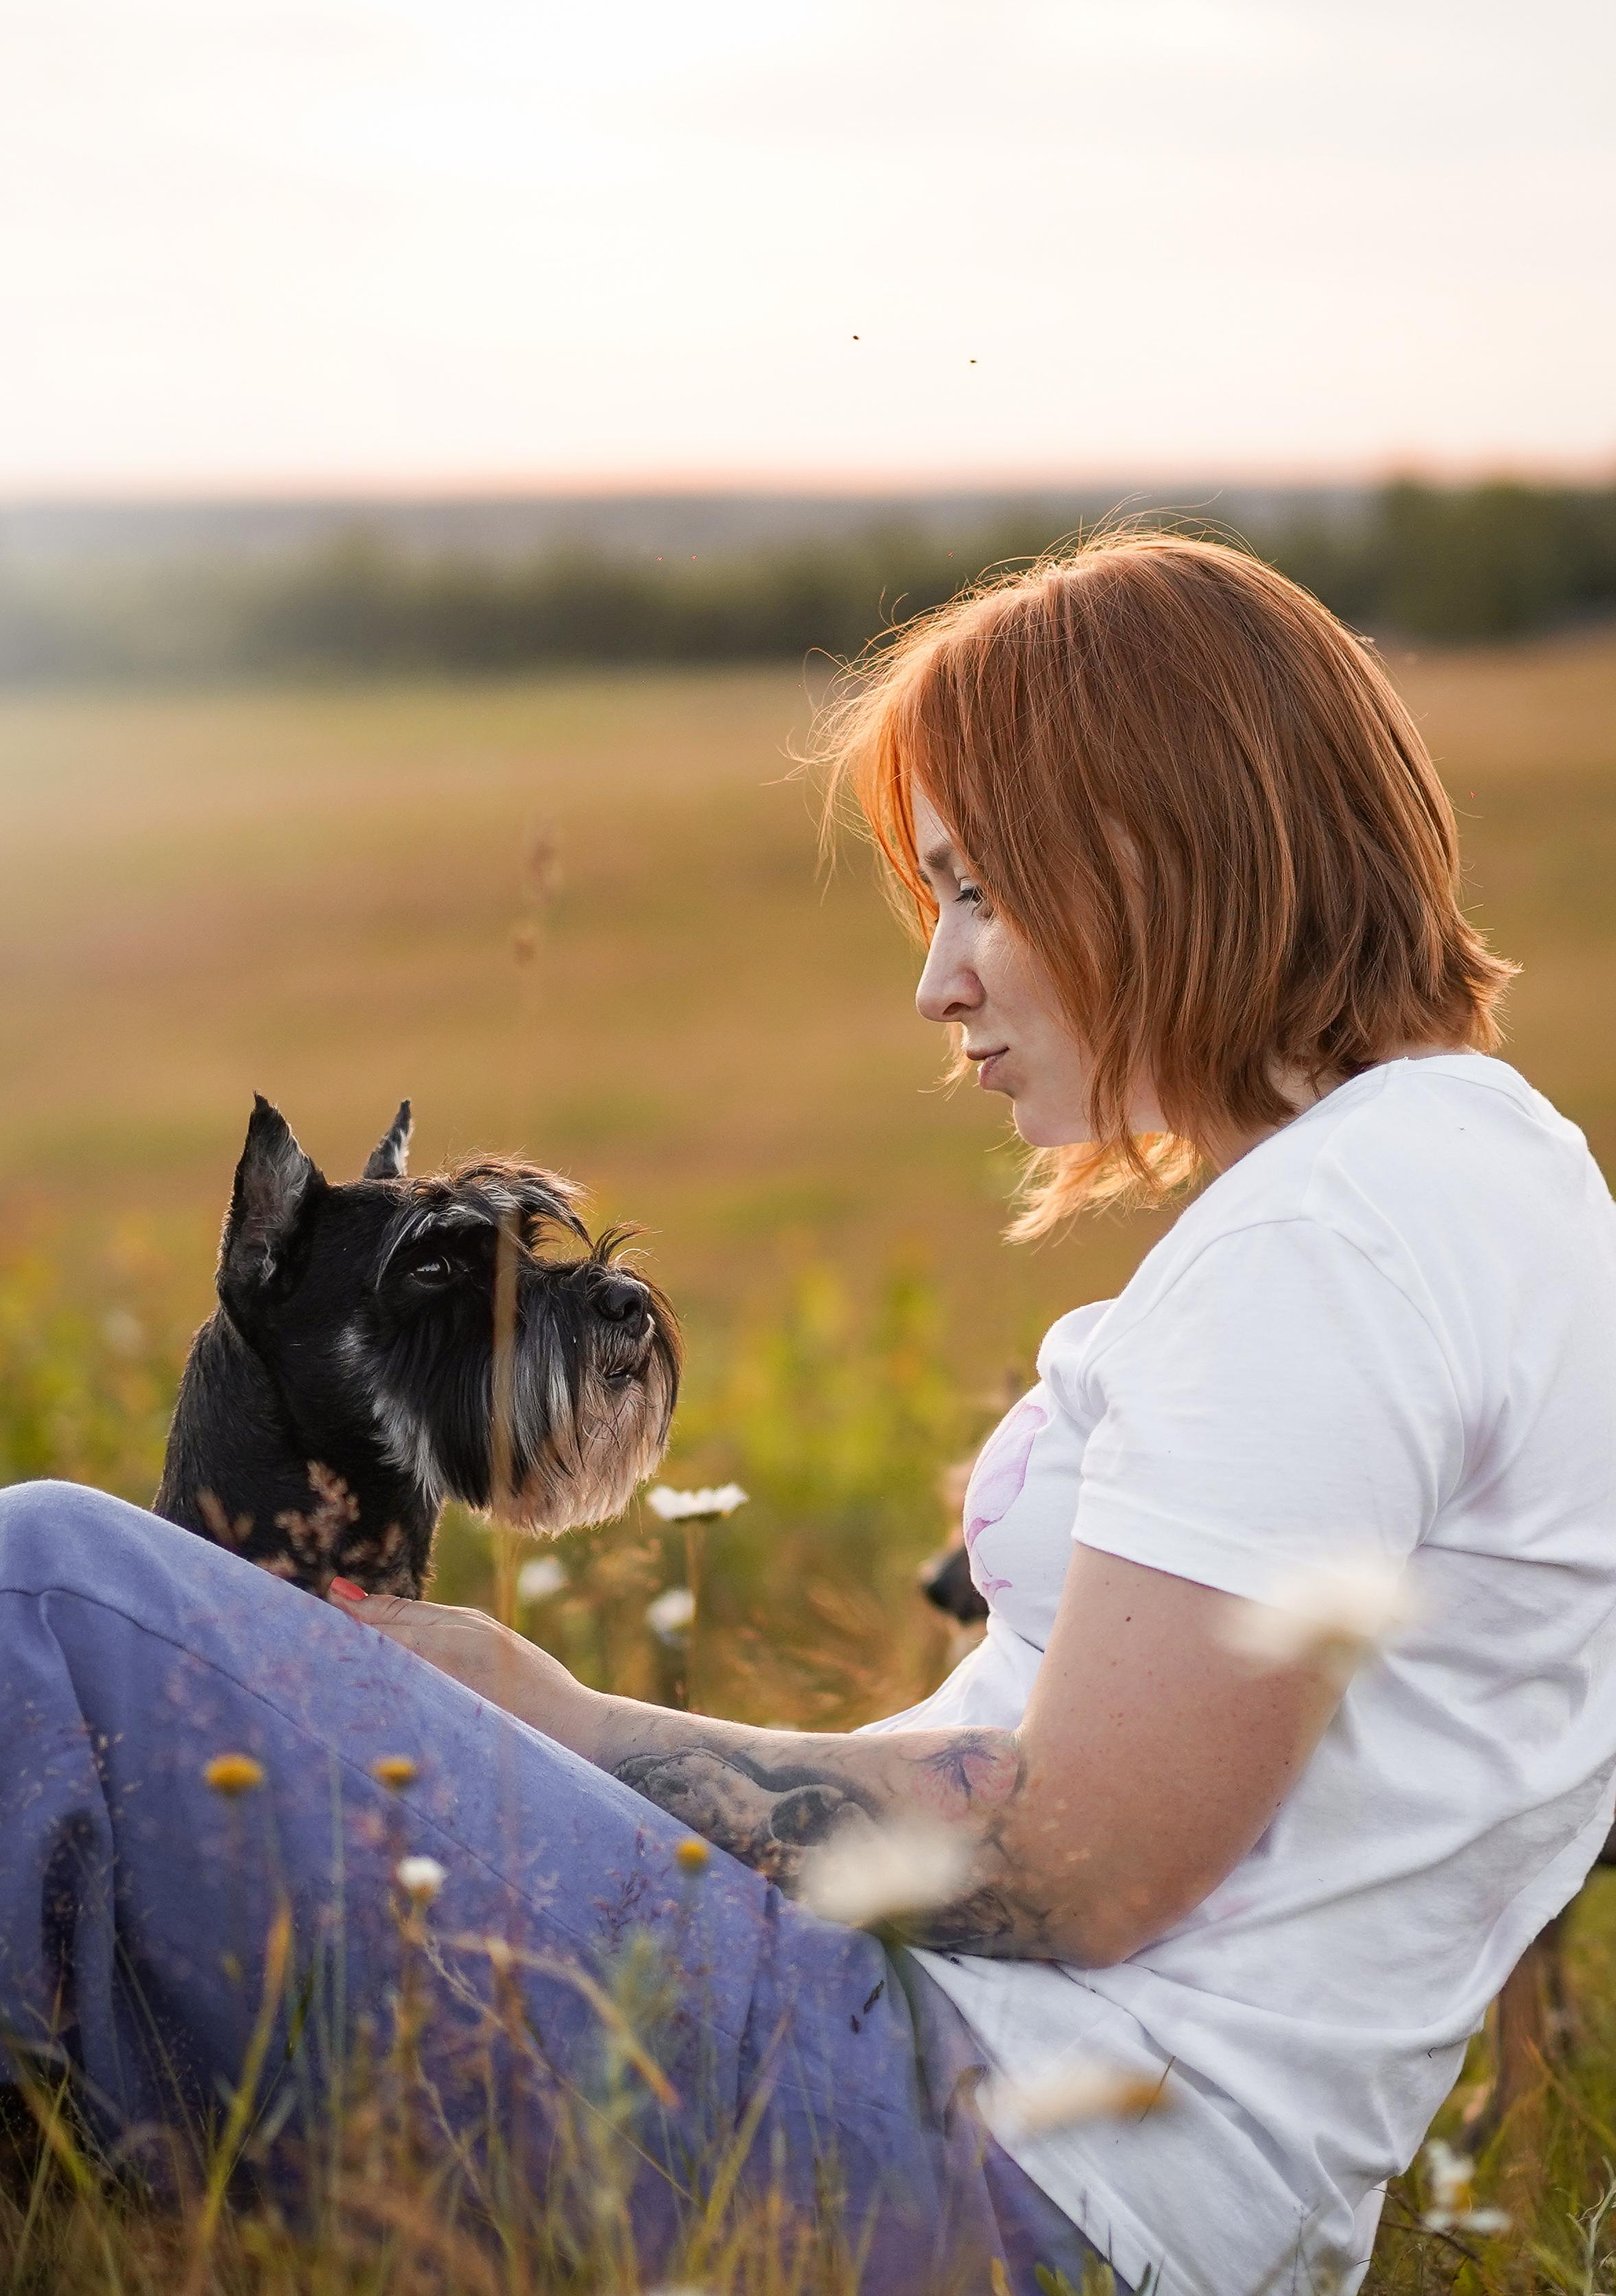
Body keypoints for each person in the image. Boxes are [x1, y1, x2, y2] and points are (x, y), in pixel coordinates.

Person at [5, 534, 1616, 2296]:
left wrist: (558, 1720)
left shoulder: (1341, 1234)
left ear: (1164, 843)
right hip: (1012, 2129)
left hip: (1005, 2175)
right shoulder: (1468, 1180)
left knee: (50, 1604)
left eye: (980, 892)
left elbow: (1082, 1865)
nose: (939, 980)